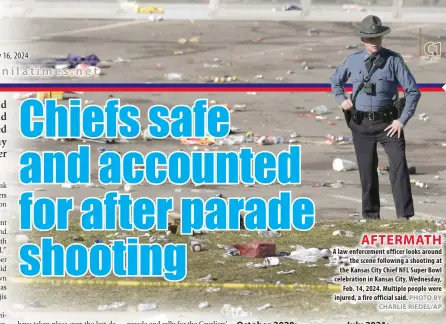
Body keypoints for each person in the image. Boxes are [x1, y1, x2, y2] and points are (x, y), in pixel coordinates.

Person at [329, 15, 421, 220]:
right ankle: (371, 217)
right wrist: (341, 99)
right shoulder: (352, 61)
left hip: (389, 124)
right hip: (361, 124)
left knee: (398, 168)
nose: (374, 43)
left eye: (377, 38)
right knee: (367, 173)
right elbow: (335, 81)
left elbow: (413, 91)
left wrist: (402, 120)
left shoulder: (393, 60)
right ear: (363, 40)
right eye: (370, 39)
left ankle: (404, 216)